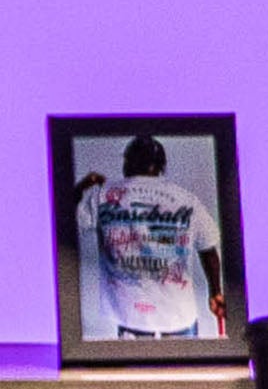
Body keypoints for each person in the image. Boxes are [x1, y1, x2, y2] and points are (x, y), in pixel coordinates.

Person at [73, 134, 227, 340]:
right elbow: (208, 249)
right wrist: (215, 292)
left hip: (130, 316)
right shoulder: (186, 199)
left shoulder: (103, 195)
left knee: (135, 372)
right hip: (178, 315)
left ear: (127, 162)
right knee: (185, 372)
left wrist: (83, 186)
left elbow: (64, 218)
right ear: (162, 166)